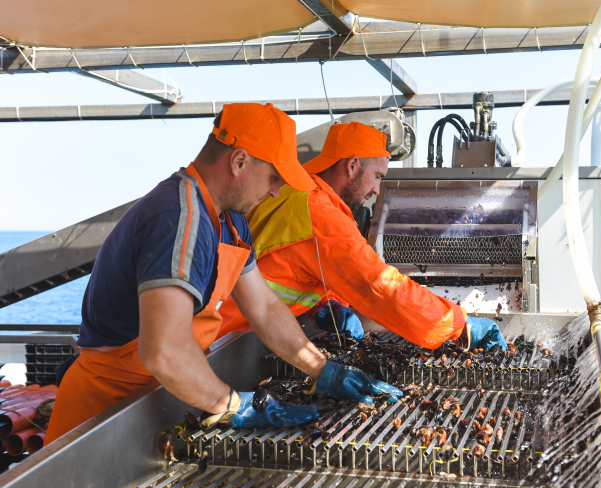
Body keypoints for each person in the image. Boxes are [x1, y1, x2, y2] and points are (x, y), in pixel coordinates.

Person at [45, 105, 401, 445]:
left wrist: (321, 369)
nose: (276, 191)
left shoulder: (231, 221)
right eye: (274, 178)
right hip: (107, 412)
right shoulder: (178, 220)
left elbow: (263, 307)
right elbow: (164, 351)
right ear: (239, 161)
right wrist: (232, 405)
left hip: (169, 392)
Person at [218, 121, 506, 353]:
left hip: (238, 333)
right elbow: (381, 288)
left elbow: (285, 264)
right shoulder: (321, 214)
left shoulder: (292, 192)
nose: (377, 191)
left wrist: (323, 302)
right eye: (378, 177)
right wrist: (458, 322)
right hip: (233, 342)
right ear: (352, 165)